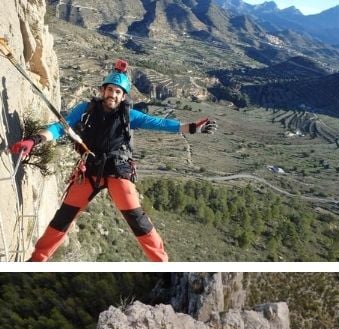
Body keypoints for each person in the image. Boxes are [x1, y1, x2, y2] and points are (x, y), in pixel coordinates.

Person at [11, 60, 217, 262]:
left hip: (118, 170)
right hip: (90, 169)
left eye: (118, 92)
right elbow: (60, 127)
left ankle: (161, 262)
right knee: (63, 218)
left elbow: (160, 123)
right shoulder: (86, 109)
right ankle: (37, 259)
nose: (113, 94)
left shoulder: (129, 115)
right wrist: (35, 140)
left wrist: (192, 127)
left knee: (139, 221)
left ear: (123, 96)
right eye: (110, 89)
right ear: (103, 91)